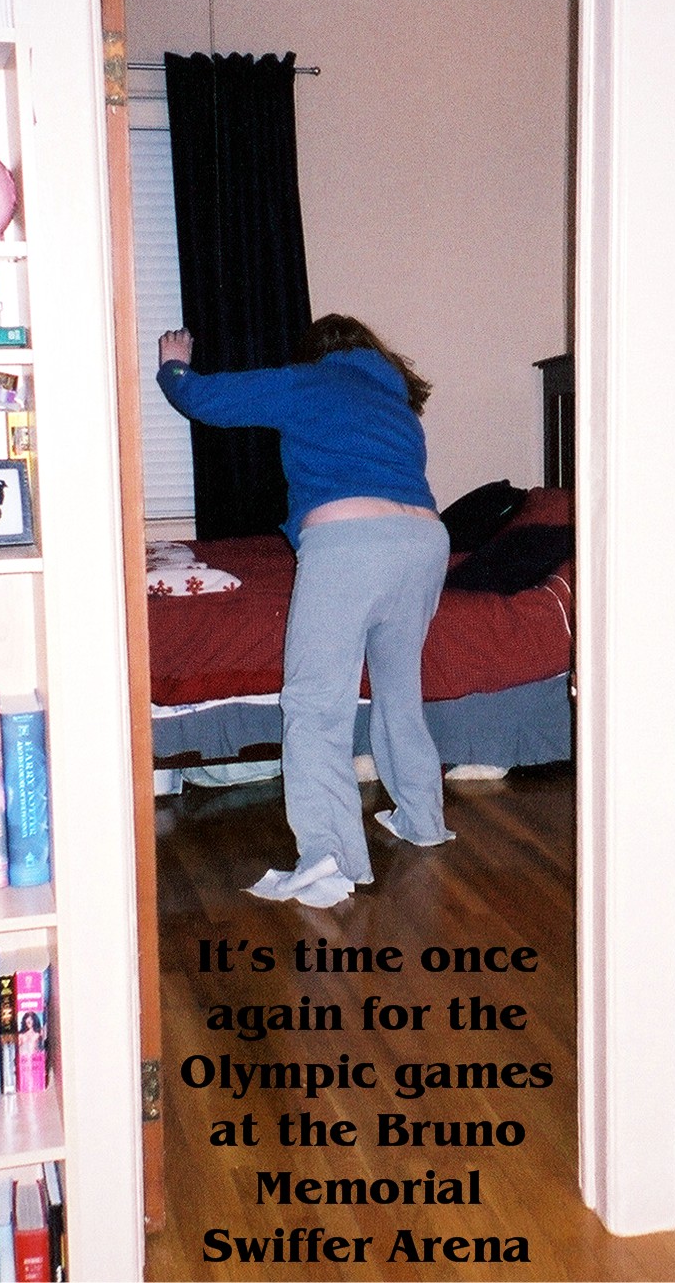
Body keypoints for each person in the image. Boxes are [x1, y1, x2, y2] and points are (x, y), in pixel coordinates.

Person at [157, 313, 454, 908]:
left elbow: (207, 400)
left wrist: (174, 367)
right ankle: (422, 819)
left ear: (319, 352)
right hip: (426, 541)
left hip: (349, 543)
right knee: (399, 690)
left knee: (316, 705)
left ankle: (330, 856)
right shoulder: (397, 405)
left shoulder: (312, 380)